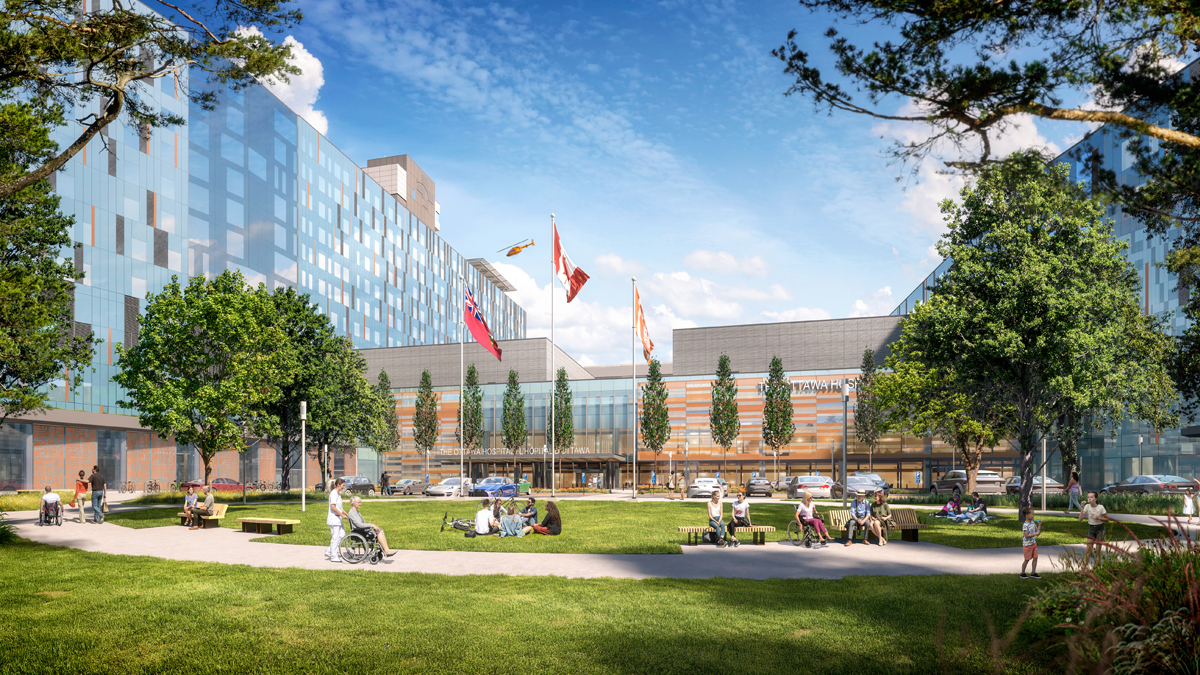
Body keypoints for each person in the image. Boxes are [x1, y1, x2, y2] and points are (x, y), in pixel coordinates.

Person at [1078, 491, 1109, 565]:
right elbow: (1080, 519)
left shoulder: (1100, 507)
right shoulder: (1087, 506)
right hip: (1091, 529)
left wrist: (1098, 518)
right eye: (1088, 497)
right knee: (1088, 550)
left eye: (1091, 497)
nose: (1089, 499)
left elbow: (1107, 519)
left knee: (1098, 551)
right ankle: (1084, 569)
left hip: (1100, 529)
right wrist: (1082, 508)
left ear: (1095, 499)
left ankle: (1096, 568)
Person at [325, 478, 348, 562]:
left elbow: (339, 507)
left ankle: (329, 551)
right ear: (338, 485)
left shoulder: (338, 494)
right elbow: (333, 507)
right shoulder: (334, 493)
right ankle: (333, 556)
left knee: (342, 535)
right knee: (335, 537)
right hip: (334, 519)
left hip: (338, 518)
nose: (344, 487)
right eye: (343, 485)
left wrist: (346, 513)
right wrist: (342, 515)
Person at [1020, 507, 1042, 580]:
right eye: (1032, 514)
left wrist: (1039, 525)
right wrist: (1035, 534)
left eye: (1033, 514)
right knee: (1027, 559)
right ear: (1027, 515)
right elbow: (1026, 536)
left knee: (1035, 558)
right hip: (1027, 545)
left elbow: (1038, 533)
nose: (1033, 516)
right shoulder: (1025, 525)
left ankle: (1033, 572)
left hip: (1033, 544)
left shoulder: (1033, 523)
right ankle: (1022, 573)